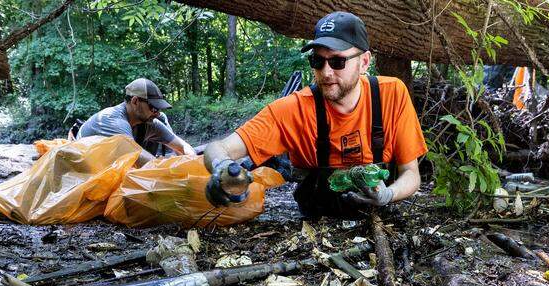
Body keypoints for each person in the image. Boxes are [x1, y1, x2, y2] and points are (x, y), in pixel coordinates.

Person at [203, 12, 426, 218]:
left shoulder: (391, 94)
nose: (326, 72)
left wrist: (388, 194)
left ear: (364, 62)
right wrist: (221, 168)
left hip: (380, 220)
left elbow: (411, 174)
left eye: (338, 61)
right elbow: (217, 148)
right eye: (318, 61)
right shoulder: (294, 109)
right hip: (316, 225)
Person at [78, 78, 195, 165]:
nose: (157, 113)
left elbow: (182, 146)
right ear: (135, 101)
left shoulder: (148, 122)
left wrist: (193, 164)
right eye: (153, 107)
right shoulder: (113, 121)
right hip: (81, 174)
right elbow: (137, 157)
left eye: (159, 109)